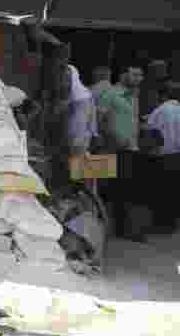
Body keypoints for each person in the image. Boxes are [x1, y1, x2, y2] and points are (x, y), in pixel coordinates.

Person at [98, 66, 145, 240]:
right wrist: (111, 137)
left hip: (131, 148)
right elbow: (98, 118)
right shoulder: (111, 94)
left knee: (125, 188)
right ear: (124, 74)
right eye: (135, 74)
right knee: (111, 187)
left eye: (140, 75)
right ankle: (114, 228)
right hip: (114, 148)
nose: (138, 78)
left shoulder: (134, 96)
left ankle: (123, 229)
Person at [146, 82, 180, 233]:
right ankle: (172, 223)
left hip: (163, 156)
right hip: (177, 155)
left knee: (162, 191)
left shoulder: (160, 110)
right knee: (174, 190)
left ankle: (163, 225)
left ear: (163, 95)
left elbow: (150, 130)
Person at [65, 65, 97, 156]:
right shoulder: (61, 95)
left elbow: (91, 119)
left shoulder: (84, 95)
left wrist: (92, 134)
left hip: (79, 143)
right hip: (66, 143)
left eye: (68, 78)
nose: (65, 81)